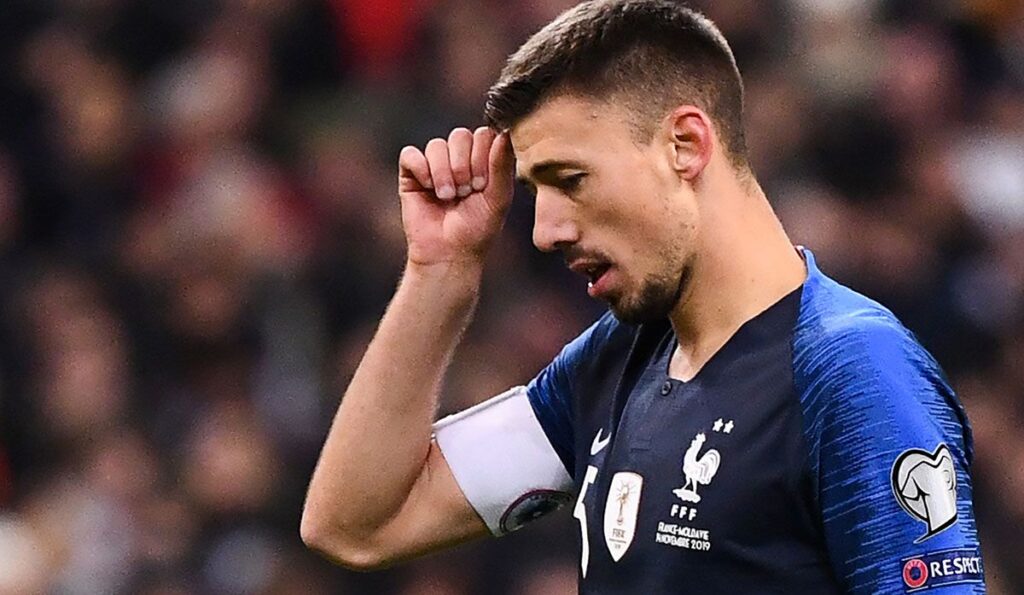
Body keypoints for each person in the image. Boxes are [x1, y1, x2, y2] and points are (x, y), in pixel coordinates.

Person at [301, 1, 986, 592]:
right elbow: (357, 523)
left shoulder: (850, 368)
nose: (544, 231)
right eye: (537, 193)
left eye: (570, 179)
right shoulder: (615, 362)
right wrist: (439, 272)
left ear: (685, 145)